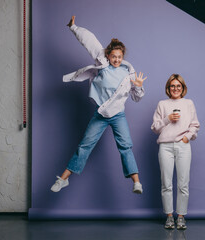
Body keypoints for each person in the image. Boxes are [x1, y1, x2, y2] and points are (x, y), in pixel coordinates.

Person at [50, 16, 147, 194]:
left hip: (118, 115)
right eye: (113, 56)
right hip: (100, 114)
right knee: (84, 146)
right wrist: (74, 28)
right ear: (108, 56)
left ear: (123, 57)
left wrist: (139, 87)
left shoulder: (128, 73)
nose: (116, 60)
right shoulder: (102, 63)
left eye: (119, 57)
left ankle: (136, 183)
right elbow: (90, 41)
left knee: (125, 146)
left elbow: (136, 98)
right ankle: (63, 179)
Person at [151, 74, 200, 229]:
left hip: (183, 146)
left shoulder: (188, 103)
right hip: (165, 147)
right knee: (166, 183)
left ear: (183, 88)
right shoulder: (162, 104)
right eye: (173, 86)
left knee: (183, 183)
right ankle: (169, 217)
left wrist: (187, 137)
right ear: (168, 88)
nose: (175, 89)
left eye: (178, 86)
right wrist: (167, 119)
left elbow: (195, 124)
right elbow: (155, 127)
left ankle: (181, 217)